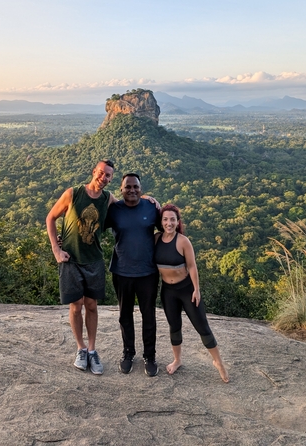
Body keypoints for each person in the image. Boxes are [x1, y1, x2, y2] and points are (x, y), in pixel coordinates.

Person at [46, 159, 116, 376]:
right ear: (94, 171)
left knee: (91, 305)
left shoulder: (108, 199)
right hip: (71, 259)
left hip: (93, 259)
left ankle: (93, 350)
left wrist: (147, 199)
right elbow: (51, 217)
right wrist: (56, 249)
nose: (103, 178)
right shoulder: (73, 193)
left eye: (108, 176)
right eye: (101, 173)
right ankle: (81, 348)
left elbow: (130, 206)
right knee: (76, 305)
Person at [155, 204, 229, 382]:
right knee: (174, 326)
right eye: (165, 219)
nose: (169, 223)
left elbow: (192, 266)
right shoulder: (156, 239)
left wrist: (196, 289)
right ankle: (177, 360)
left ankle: (218, 362)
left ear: (177, 221)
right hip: (168, 291)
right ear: (161, 221)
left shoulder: (182, 241)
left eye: (172, 219)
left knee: (201, 326)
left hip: (186, 289)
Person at [105, 173, 161, 377]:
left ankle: (150, 356)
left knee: (149, 316)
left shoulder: (151, 208)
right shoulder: (114, 210)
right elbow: (92, 229)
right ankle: (128, 353)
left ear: (141, 188)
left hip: (147, 272)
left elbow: (168, 230)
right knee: (124, 315)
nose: (132, 190)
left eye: (135, 187)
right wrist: (64, 240)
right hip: (122, 271)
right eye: (128, 187)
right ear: (121, 189)